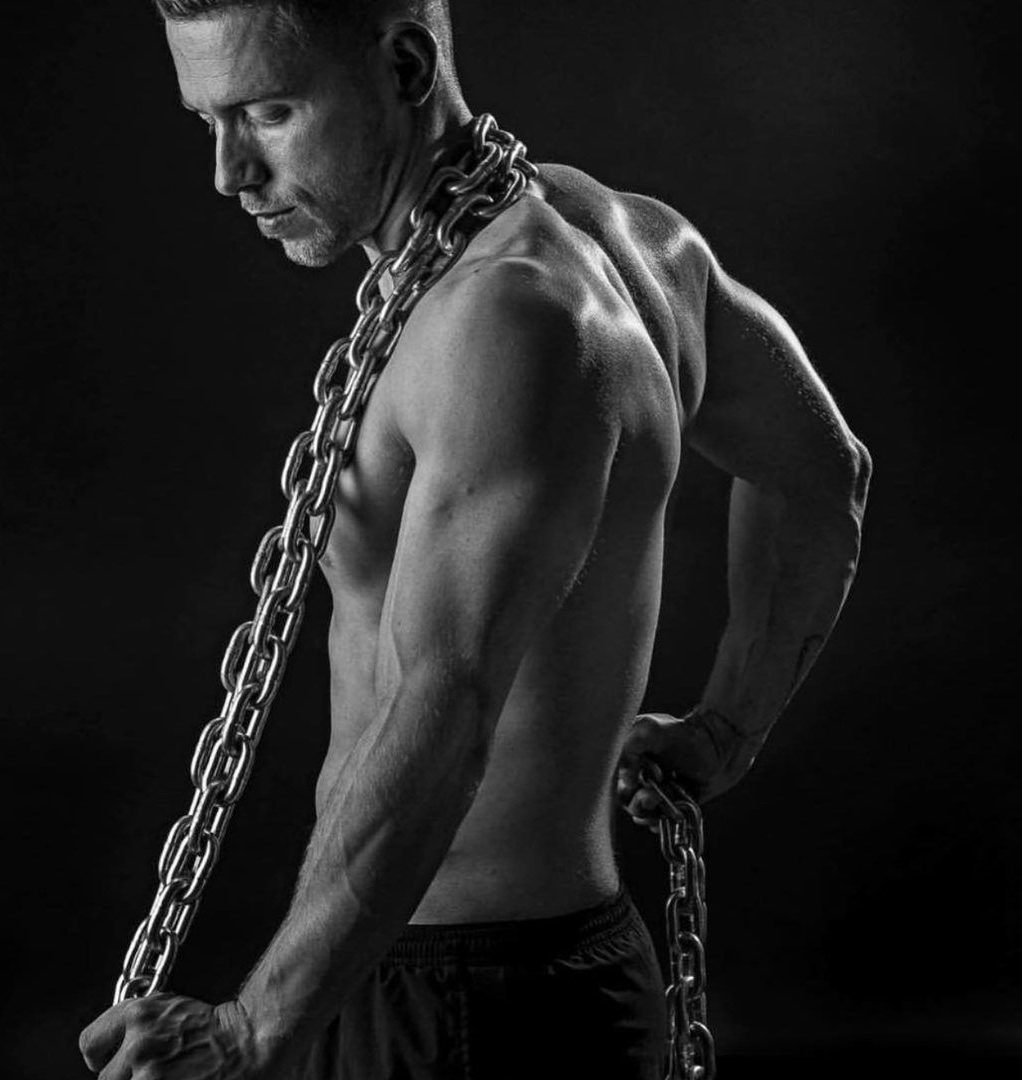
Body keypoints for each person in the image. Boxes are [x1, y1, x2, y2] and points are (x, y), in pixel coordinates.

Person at [79, 1, 872, 1077]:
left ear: (408, 65)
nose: (229, 172)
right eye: (206, 120)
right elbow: (821, 474)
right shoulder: (633, 241)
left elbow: (443, 708)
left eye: (269, 112)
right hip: (521, 976)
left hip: (464, 1007)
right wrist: (724, 730)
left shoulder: (507, 315)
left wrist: (254, 1029)